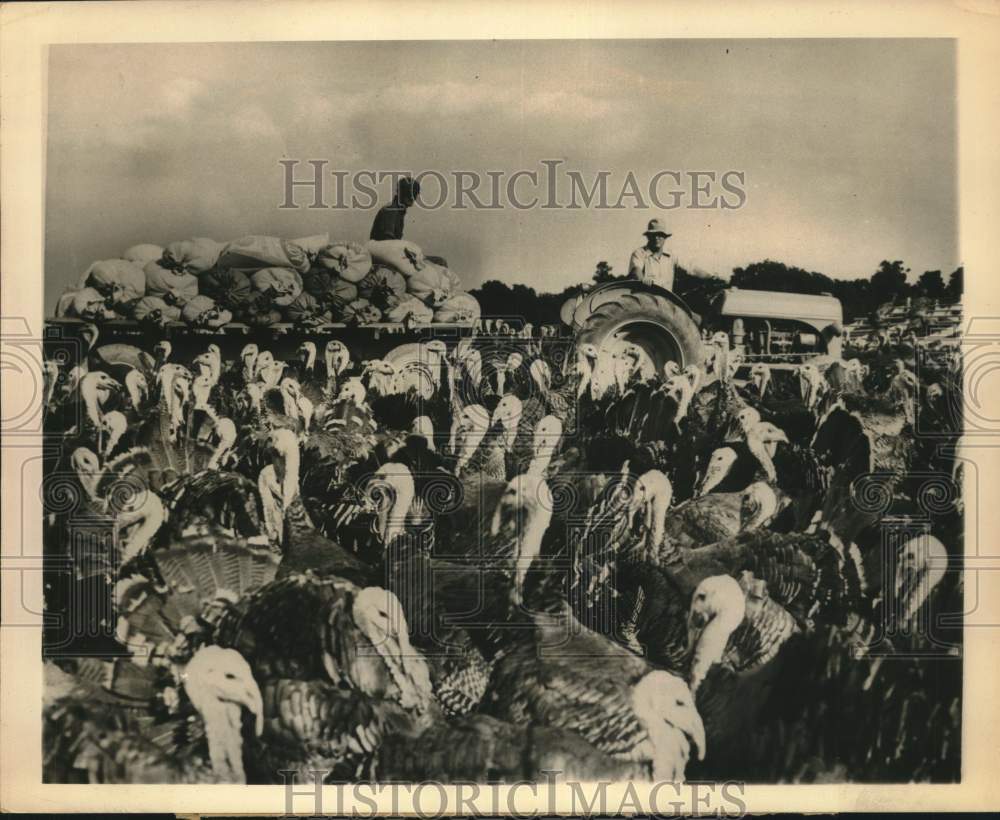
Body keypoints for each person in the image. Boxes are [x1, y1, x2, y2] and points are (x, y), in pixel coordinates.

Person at [628, 218, 675, 291]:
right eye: (653, 235)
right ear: (648, 237)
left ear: (665, 237)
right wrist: (642, 279)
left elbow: (690, 268)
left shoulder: (671, 256)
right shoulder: (639, 253)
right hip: (646, 298)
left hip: (666, 300)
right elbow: (636, 272)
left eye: (660, 235)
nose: (656, 238)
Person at [370, 175, 420, 242]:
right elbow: (388, 240)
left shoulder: (398, 211)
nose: (415, 198)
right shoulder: (391, 210)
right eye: (414, 194)